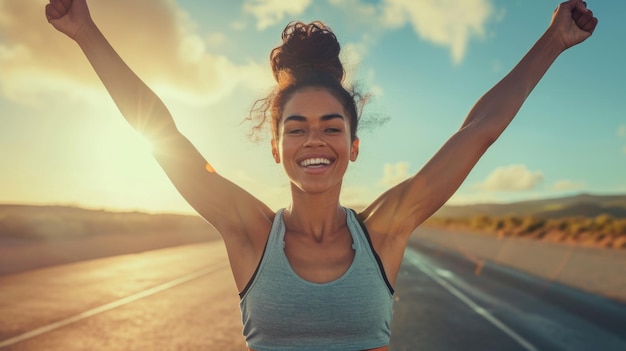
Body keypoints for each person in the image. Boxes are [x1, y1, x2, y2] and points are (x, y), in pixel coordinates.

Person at [45, 0, 597, 350]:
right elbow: (165, 137)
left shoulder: (385, 230)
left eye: (331, 127)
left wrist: (553, 40)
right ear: (275, 145)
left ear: (353, 147)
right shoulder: (250, 234)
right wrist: (86, 32)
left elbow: (477, 131)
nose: (314, 140)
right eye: (297, 128)